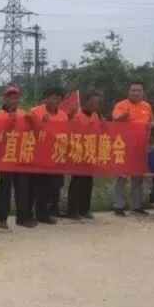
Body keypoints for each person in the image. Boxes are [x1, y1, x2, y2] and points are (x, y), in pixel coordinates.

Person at [0, 85, 36, 229]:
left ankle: (22, 218)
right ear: (5, 99)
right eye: (10, 98)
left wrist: (34, 122)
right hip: (6, 158)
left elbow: (34, 133)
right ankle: (1, 219)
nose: (13, 100)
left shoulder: (23, 115)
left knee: (23, 189)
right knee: (4, 189)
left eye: (16, 98)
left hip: (21, 158)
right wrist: (8, 125)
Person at [112, 81, 154, 216]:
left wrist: (151, 125)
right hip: (123, 147)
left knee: (137, 178)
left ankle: (135, 206)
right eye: (133, 90)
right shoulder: (121, 105)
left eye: (138, 90)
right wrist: (124, 116)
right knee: (121, 177)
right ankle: (118, 206)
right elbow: (115, 119)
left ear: (143, 93)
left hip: (140, 147)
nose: (136, 93)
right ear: (128, 92)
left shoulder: (146, 106)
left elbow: (152, 121)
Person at [29, 87, 69, 224]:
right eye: (53, 98)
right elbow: (28, 131)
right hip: (39, 155)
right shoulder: (35, 111)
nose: (56, 101)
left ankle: (46, 210)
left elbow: (65, 133)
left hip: (56, 154)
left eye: (59, 99)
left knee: (54, 185)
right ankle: (37, 213)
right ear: (46, 98)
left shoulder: (63, 115)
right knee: (40, 185)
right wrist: (42, 123)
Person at [67, 91, 102, 220]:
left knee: (88, 182)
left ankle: (84, 209)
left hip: (90, 153)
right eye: (93, 102)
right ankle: (73, 210)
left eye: (97, 103)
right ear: (86, 102)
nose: (95, 105)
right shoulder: (77, 115)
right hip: (77, 152)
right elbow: (71, 131)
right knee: (77, 182)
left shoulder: (95, 116)